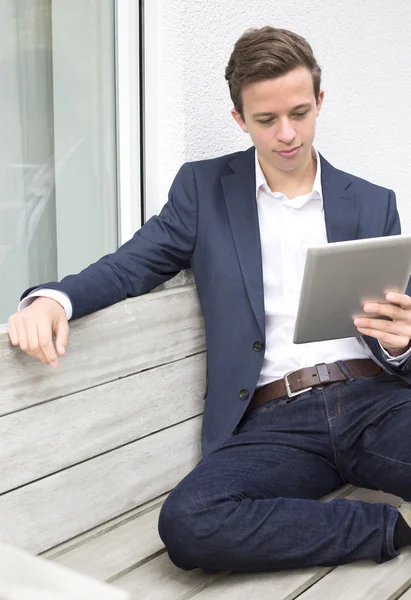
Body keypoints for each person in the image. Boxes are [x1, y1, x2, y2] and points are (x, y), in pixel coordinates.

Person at [7, 26, 411, 572]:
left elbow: (396, 321)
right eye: (266, 120)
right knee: (190, 522)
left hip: (373, 403)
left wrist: (402, 344)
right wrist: (53, 299)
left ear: (319, 101)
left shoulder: (370, 201)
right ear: (239, 119)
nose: (287, 134)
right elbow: (131, 265)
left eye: (299, 113)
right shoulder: (202, 190)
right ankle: (391, 529)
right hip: (274, 422)